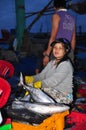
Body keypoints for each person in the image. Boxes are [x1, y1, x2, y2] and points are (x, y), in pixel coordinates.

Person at [24, 38, 74, 104]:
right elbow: (42, 75)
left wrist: (38, 84)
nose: (56, 50)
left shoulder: (65, 64)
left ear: (66, 50)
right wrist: (31, 79)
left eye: (60, 48)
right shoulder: (52, 62)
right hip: (53, 91)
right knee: (31, 92)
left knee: (36, 93)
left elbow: (53, 81)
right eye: (55, 47)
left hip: (64, 96)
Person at [43, 0, 76, 66]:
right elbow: (73, 38)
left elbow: (53, 37)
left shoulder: (56, 16)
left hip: (58, 50)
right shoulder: (72, 18)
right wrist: (71, 53)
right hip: (67, 50)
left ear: (55, 7)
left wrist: (47, 55)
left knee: (54, 73)